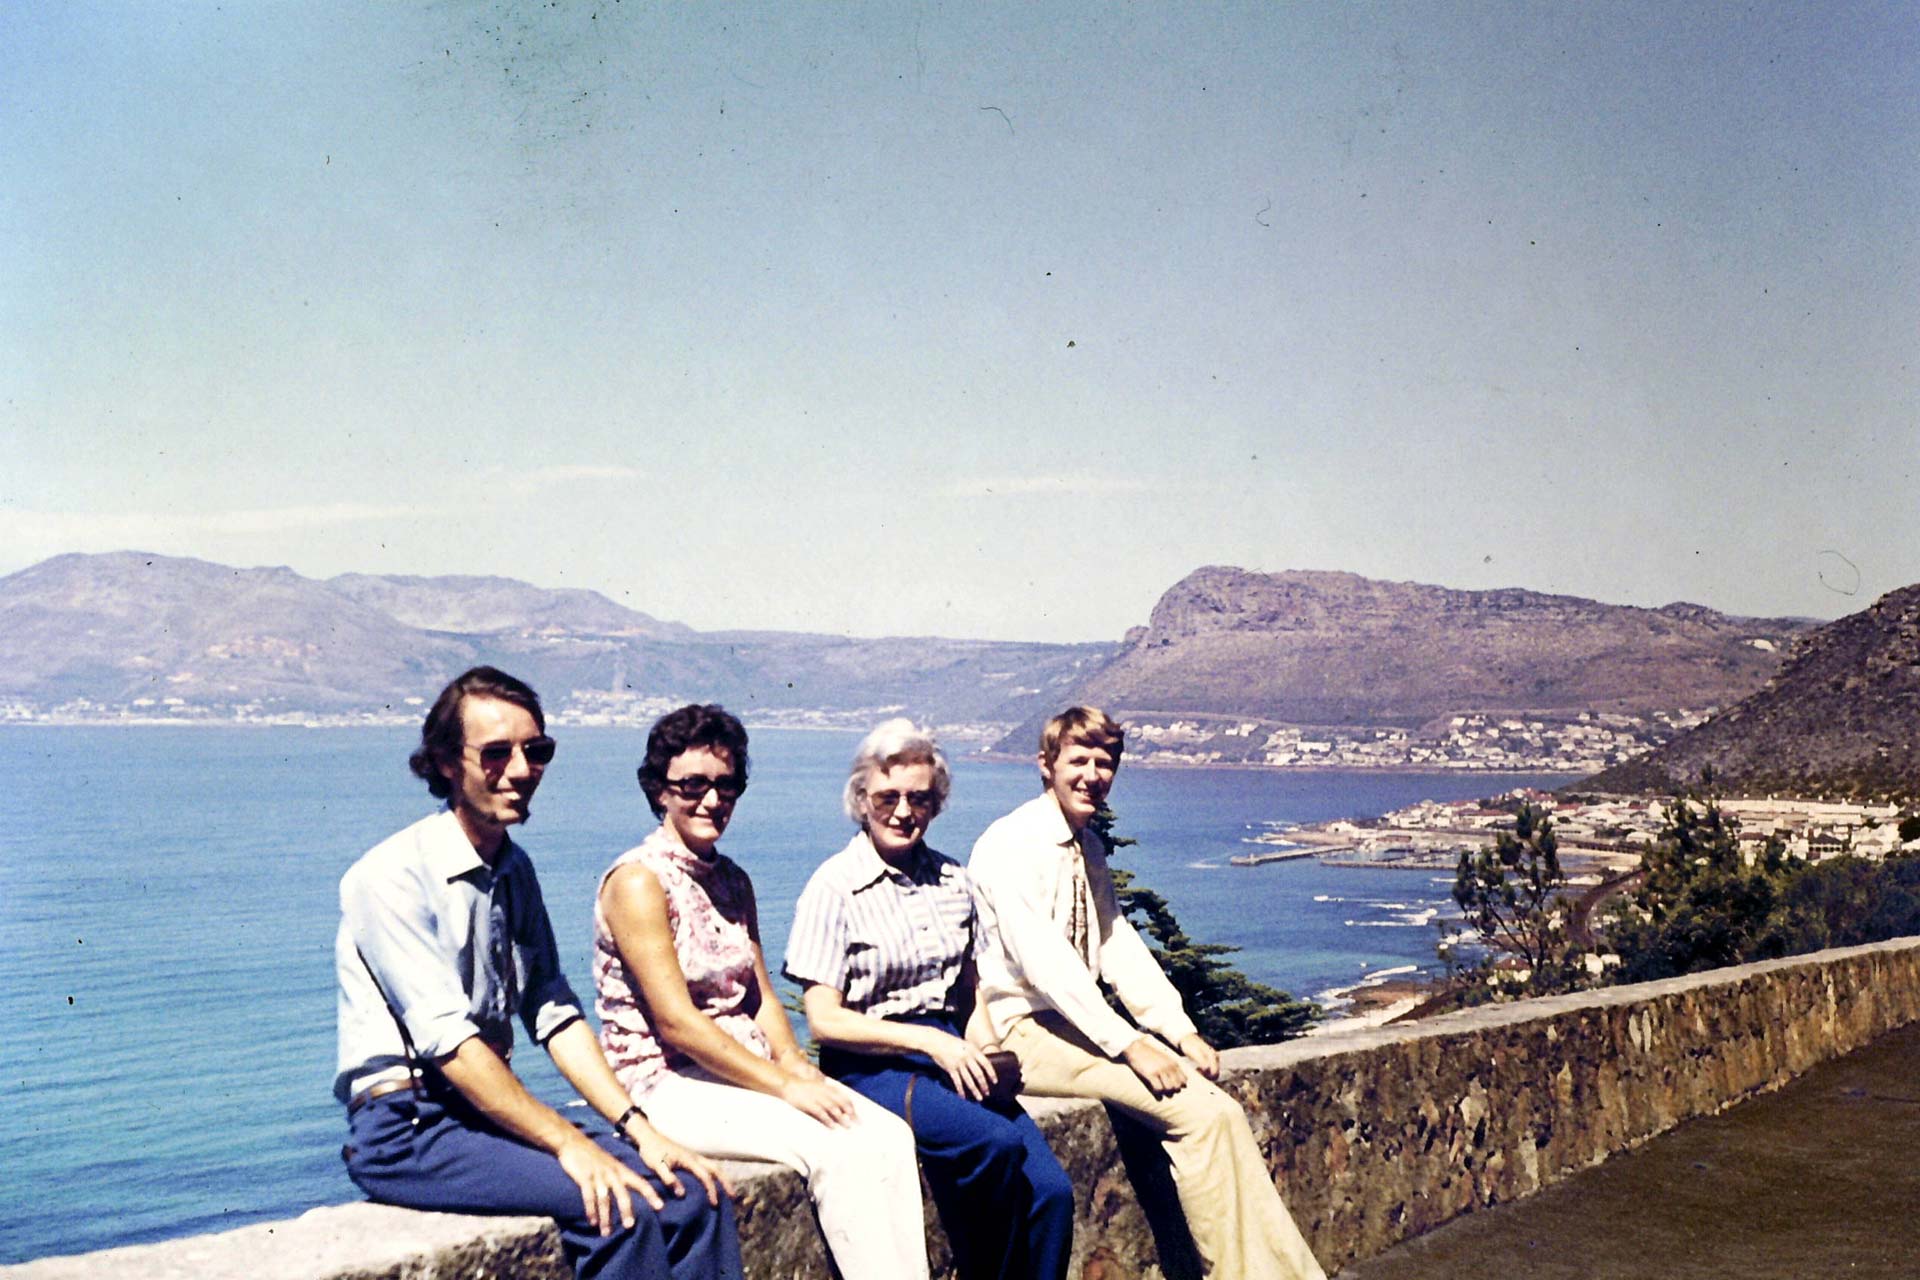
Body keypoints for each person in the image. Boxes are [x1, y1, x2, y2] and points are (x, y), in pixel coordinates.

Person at [335, 667, 740, 1280]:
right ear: (447, 762)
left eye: (536, 750)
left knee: (689, 1193)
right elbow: (453, 1047)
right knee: (617, 1206)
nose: (521, 770)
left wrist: (637, 1128)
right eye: (496, 754)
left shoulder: (512, 869)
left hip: (477, 1117)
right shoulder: (390, 876)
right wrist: (568, 1142)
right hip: (408, 1130)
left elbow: (553, 1010)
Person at [969, 706, 1327, 1280]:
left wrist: (1178, 1028)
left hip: (1070, 1024)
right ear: (1045, 765)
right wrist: (1131, 1044)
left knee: (1223, 1113)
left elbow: (1116, 945)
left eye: (1104, 762)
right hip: (1021, 1031)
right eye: (1078, 760)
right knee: (1200, 1117)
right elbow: (1047, 966)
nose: (1092, 774)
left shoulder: (1086, 847)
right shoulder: (1012, 843)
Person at [593, 704, 930, 1280]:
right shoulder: (639, 883)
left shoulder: (730, 879)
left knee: (892, 1136)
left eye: (725, 785)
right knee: (837, 1151)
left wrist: (798, 1067)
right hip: (666, 1084)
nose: (710, 800)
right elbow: (676, 1023)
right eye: (692, 785)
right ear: (660, 790)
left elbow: (761, 1000)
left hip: (735, 1073)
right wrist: (784, 1087)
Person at [785, 719, 1075, 1280]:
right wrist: (926, 1042)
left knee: (1052, 1192)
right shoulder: (834, 886)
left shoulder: (953, 880)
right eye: (886, 797)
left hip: (948, 1051)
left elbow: (968, 992)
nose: (902, 812)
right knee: (990, 1144)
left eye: (918, 798)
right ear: (860, 800)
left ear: (935, 804)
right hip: (872, 1065)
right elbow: (823, 1021)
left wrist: (988, 1051)